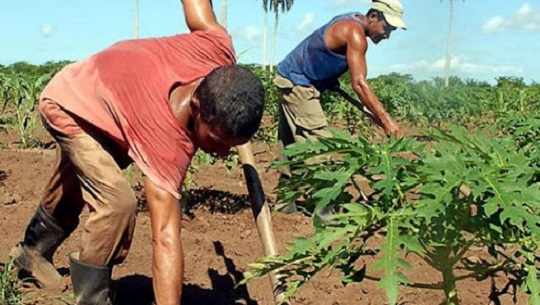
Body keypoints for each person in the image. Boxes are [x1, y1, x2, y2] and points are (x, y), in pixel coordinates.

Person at [9, 1, 265, 304]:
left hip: (112, 102)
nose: (223, 153)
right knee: (116, 203)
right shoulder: (165, 144)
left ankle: (32, 253)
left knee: (79, 179)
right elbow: (166, 238)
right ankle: (92, 298)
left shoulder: (217, 49)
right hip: (69, 101)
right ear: (196, 108)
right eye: (218, 141)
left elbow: (199, 11)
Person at [274, 0, 406, 213]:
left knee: (292, 145)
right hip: (299, 83)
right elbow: (360, 83)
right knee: (319, 144)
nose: (387, 34)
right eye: (386, 28)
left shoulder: (352, 19)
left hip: (291, 77)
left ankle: (284, 203)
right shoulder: (354, 33)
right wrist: (387, 120)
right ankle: (324, 209)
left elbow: (322, 51)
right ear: (373, 17)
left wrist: (328, 77)